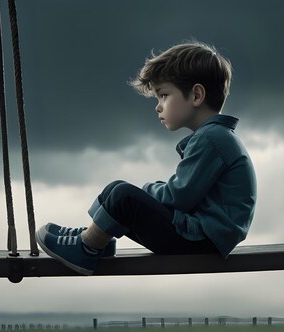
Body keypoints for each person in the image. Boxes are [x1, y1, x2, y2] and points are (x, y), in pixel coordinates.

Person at [35, 40, 257, 275]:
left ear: (196, 95)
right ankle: (96, 238)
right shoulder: (215, 137)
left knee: (124, 196)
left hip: (201, 240)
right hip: (200, 234)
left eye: (163, 95)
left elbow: (178, 197)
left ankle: (86, 248)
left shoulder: (212, 139)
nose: (158, 107)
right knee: (117, 189)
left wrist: (146, 191)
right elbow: (184, 193)